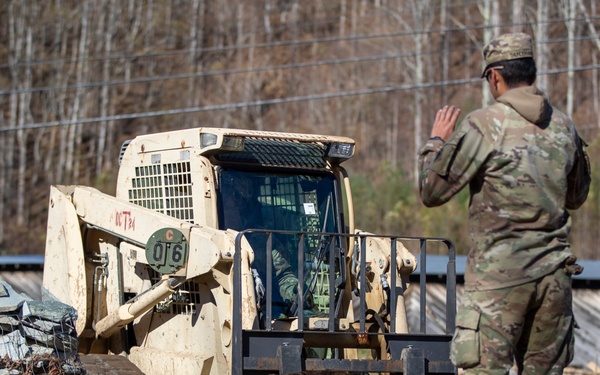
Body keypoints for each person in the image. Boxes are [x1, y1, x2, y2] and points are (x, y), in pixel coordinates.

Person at [417, 33, 591, 374]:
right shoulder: (564, 127)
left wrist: (436, 141)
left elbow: (431, 191)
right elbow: (577, 197)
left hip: (500, 281)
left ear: (495, 76)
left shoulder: (484, 124)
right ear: (533, 74)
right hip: (554, 281)